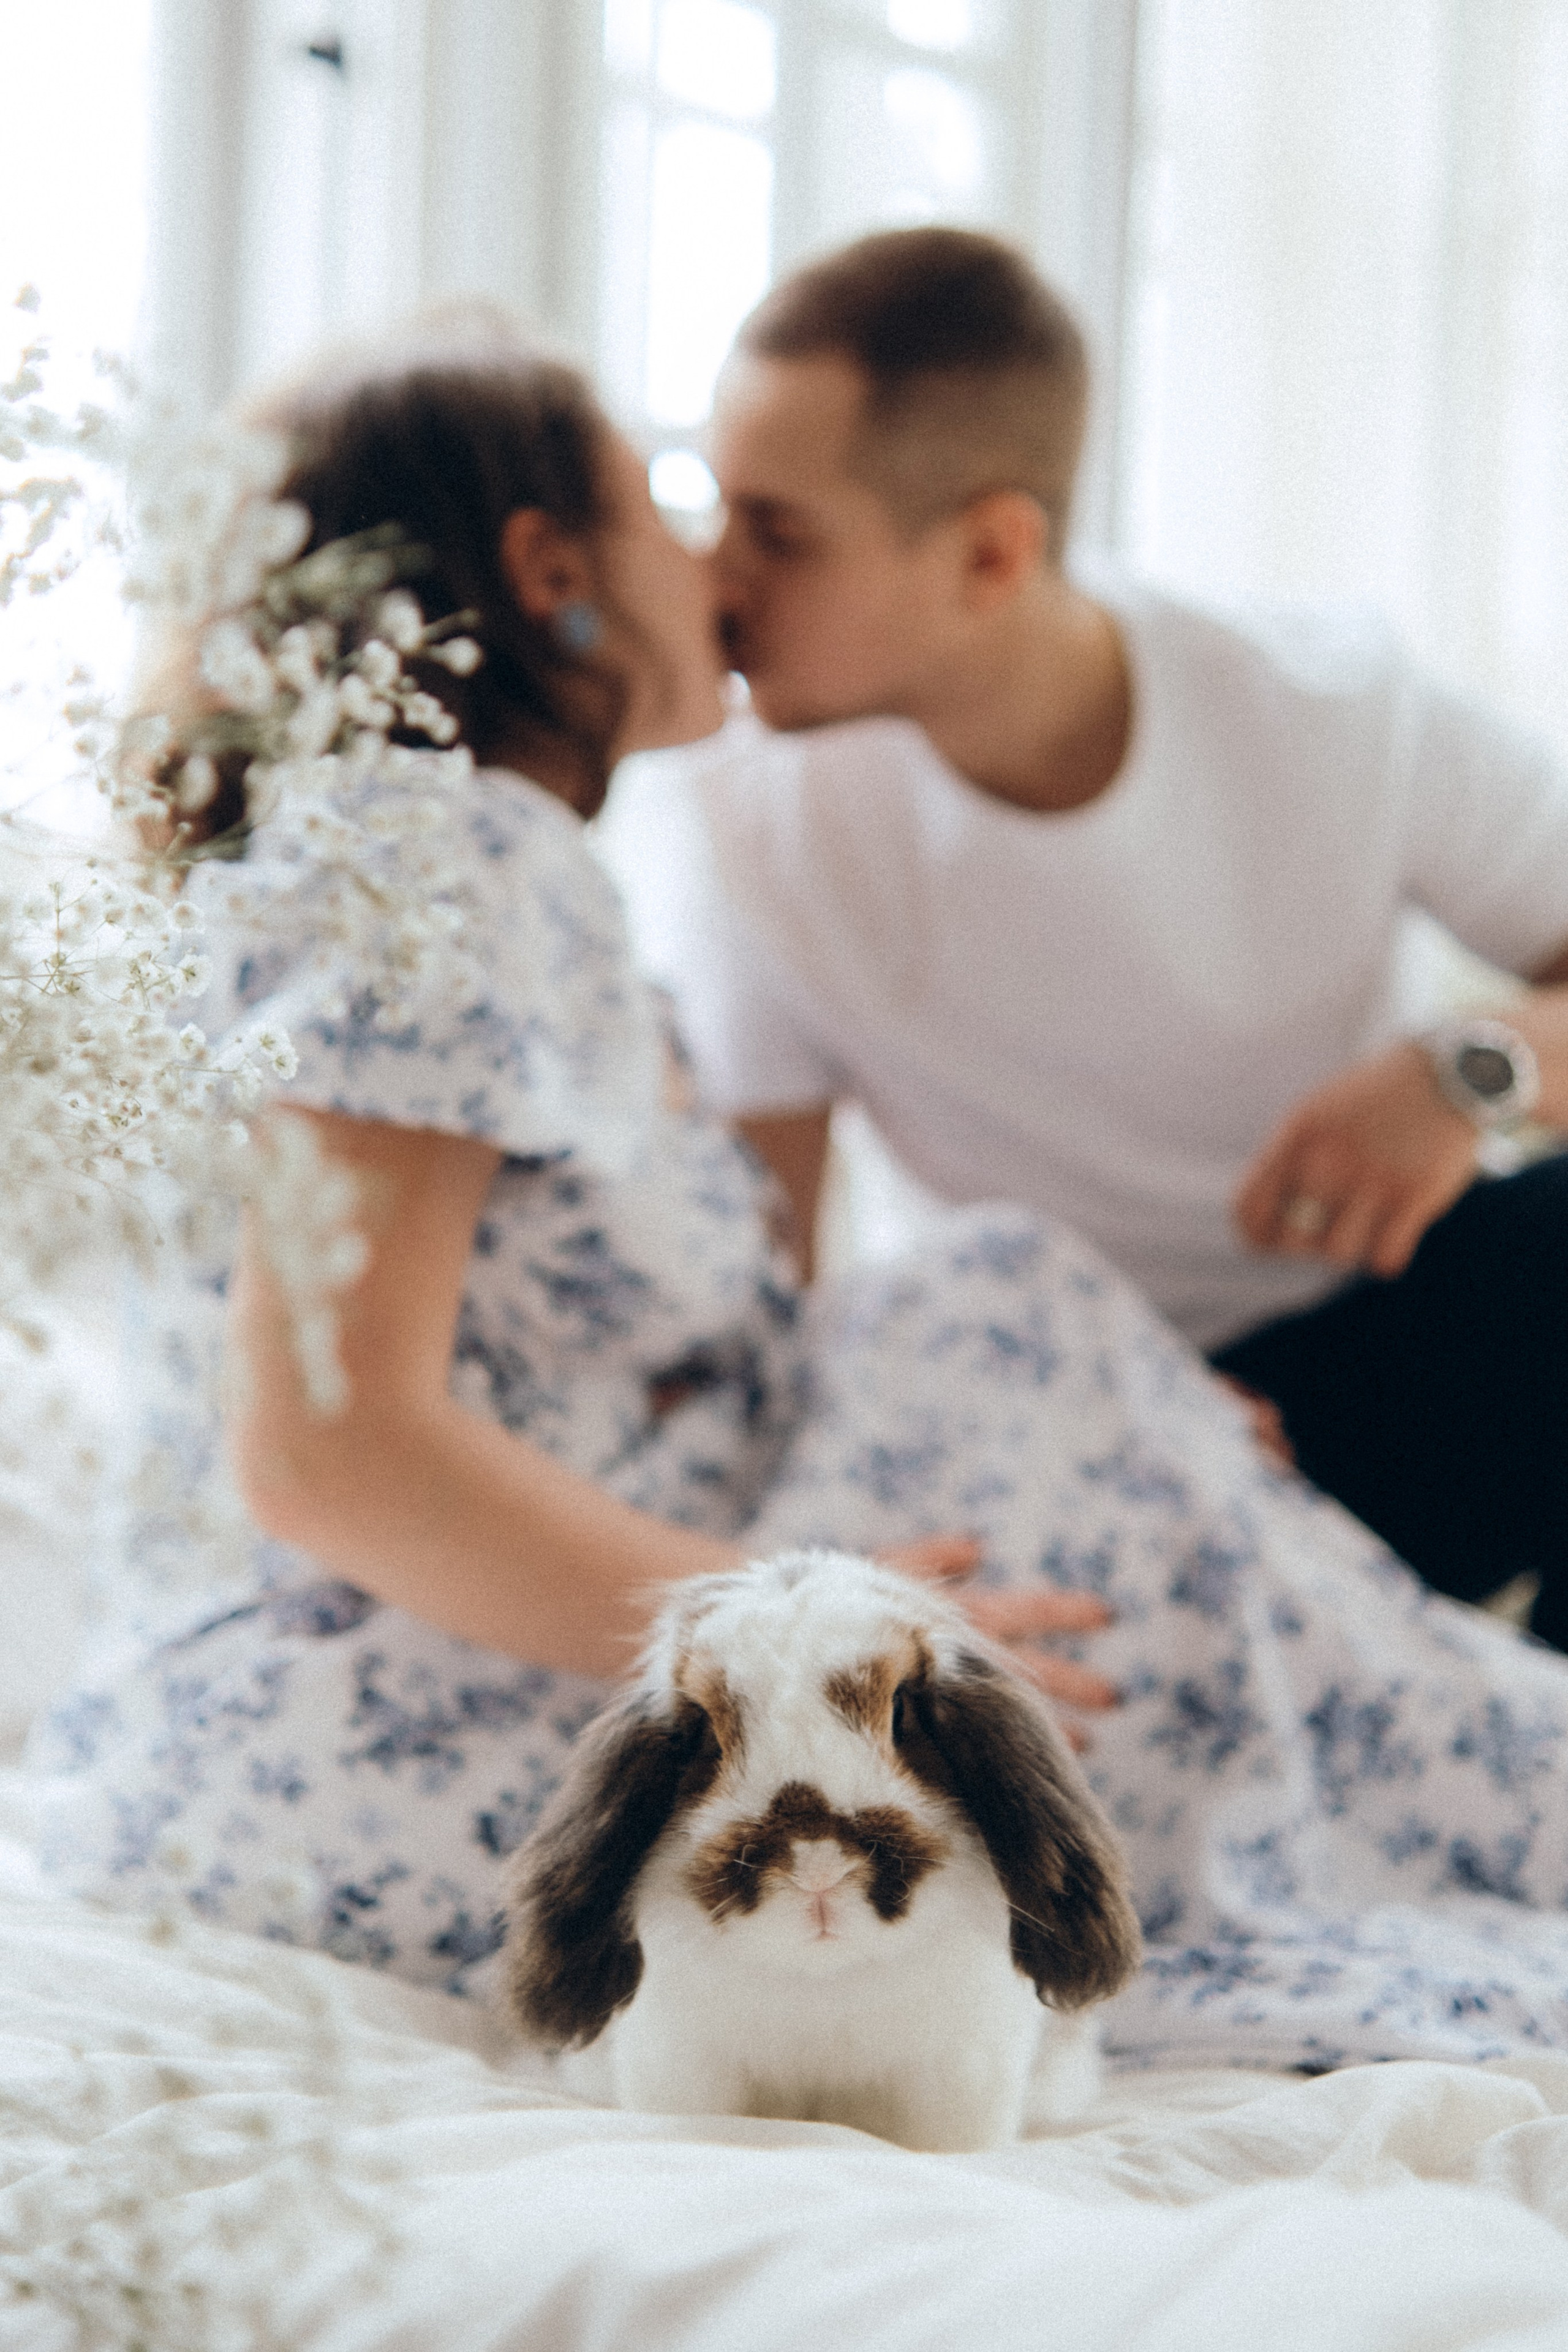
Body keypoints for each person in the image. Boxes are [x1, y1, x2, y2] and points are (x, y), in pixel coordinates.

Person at [27, 325, 1568, 2075]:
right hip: (380, 1745)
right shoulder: (446, 849)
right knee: (1019, 1344)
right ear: (550, 577)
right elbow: (323, 1447)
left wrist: (1127, 1422)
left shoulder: (458, 869)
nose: (712, 568)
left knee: (1008, 1320)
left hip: (322, 1750)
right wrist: (793, 1631)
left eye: (766, 524)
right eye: (678, 512)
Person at [600, 226, 1568, 1649]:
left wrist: (1469, 1072)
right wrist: (1097, 1423)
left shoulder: (1328, 704)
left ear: (990, 551)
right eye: (709, 509)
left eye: (777, 532)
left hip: (1385, 1333)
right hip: (1067, 1429)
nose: (712, 580)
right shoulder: (739, 823)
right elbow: (762, 1292)